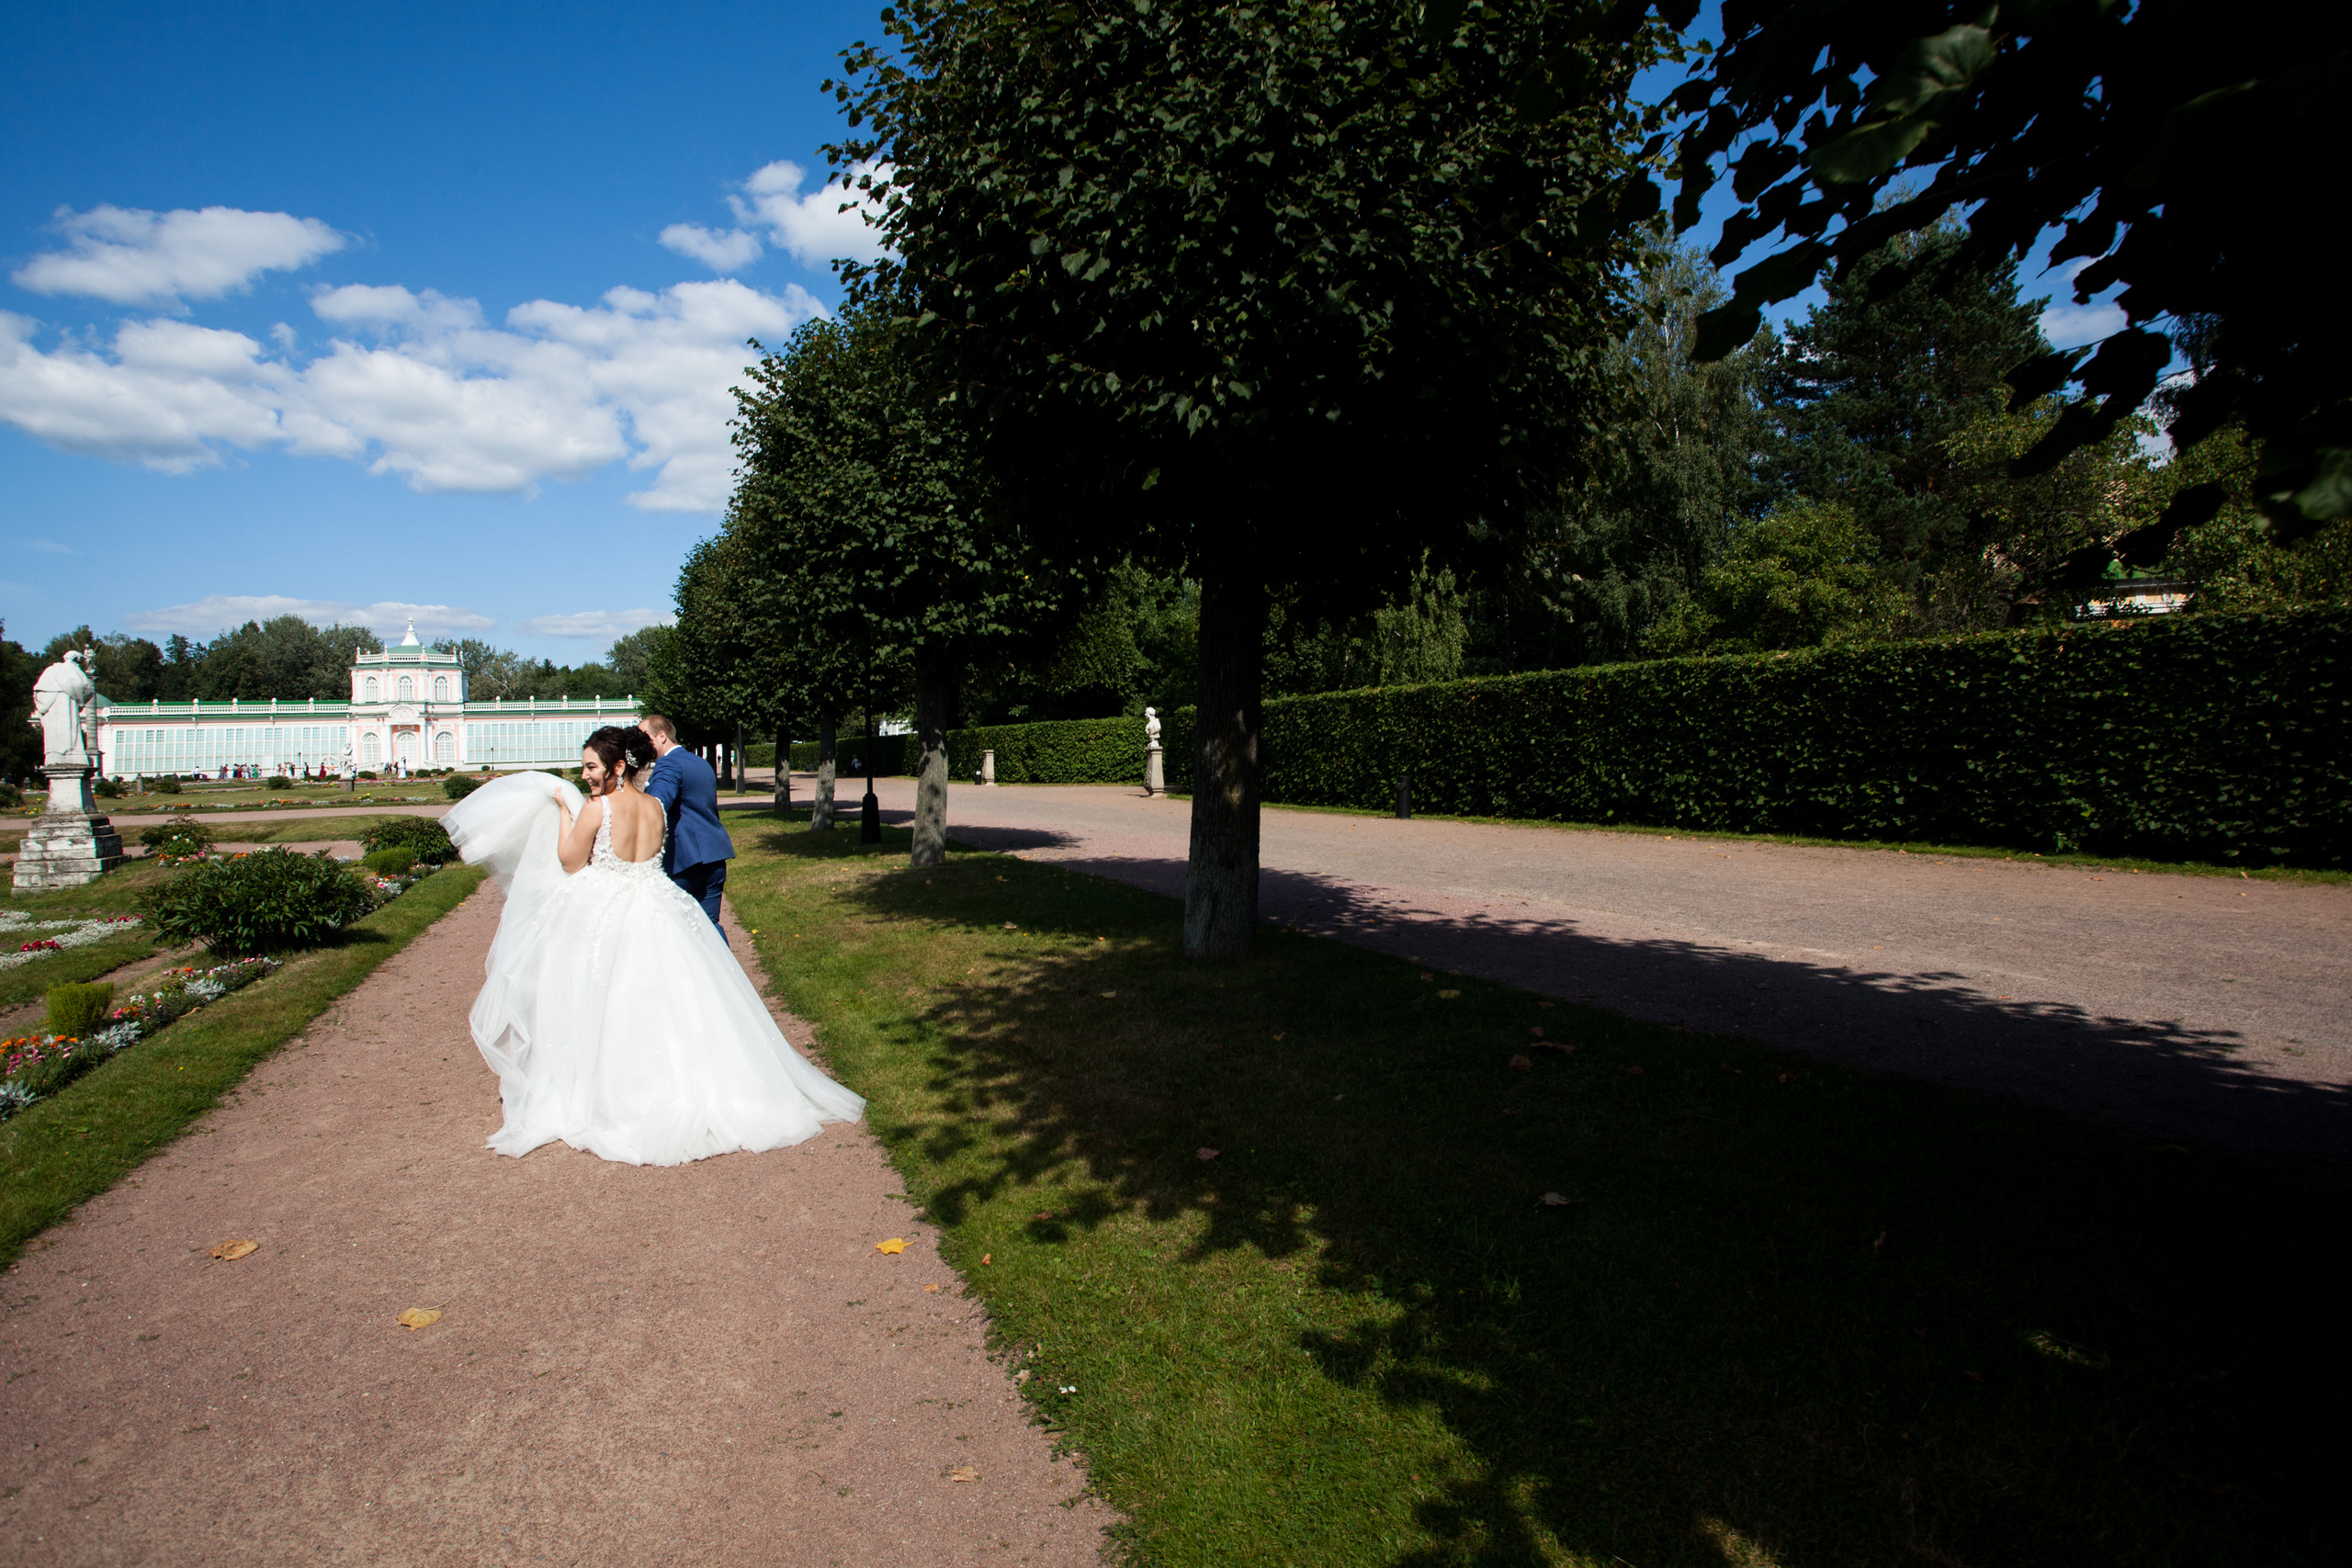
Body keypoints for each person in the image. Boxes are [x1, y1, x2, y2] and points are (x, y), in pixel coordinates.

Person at [441, 724, 864, 1166]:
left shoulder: (597, 808)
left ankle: (609, 1091)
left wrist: (564, 812)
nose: (585, 775)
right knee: (672, 999)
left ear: (617, 767)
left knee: (607, 996)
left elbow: (570, 862)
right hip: (660, 903)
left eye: (591, 767)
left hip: (608, 907)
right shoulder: (657, 807)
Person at [639, 713, 733, 942]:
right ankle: (726, 965)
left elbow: (657, 805)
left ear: (662, 736)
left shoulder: (668, 763)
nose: (640, 745)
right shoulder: (700, 763)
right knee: (710, 927)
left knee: (675, 931)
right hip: (714, 856)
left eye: (644, 738)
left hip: (684, 860)